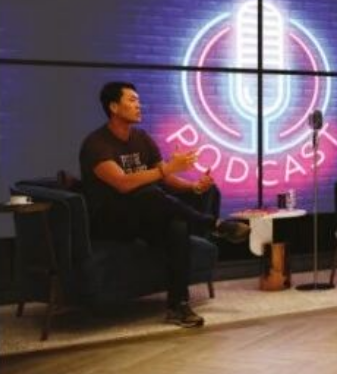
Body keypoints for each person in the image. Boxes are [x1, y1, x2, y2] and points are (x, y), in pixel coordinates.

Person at [79, 81, 250, 328]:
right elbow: (123, 183)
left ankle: (178, 306)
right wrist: (167, 168)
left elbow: (167, 179)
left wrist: (193, 187)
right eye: (132, 100)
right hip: (109, 221)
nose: (138, 105)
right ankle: (212, 224)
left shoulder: (142, 138)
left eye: (138, 100)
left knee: (176, 226)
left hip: (141, 216)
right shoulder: (96, 144)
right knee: (148, 193)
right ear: (114, 107)